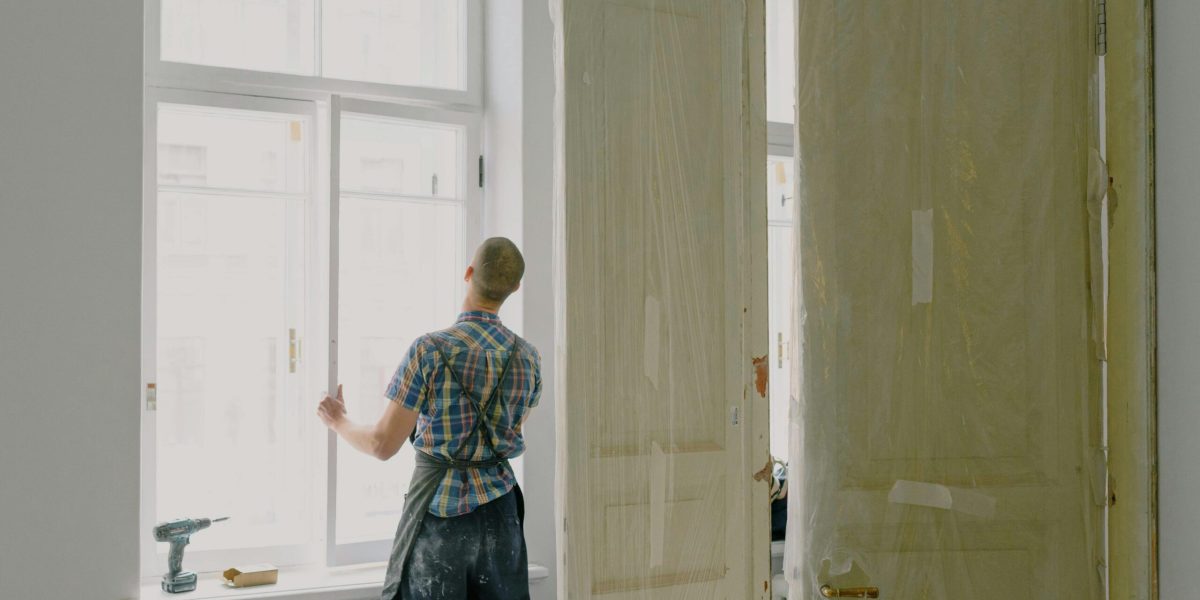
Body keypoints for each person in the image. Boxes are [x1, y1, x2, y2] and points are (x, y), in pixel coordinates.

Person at [317, 237, 541, 600]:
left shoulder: (429, 351)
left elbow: (381, 445)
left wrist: (338, 421)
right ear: (515, 287)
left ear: (468, 273)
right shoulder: (528, 357)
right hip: (502, 518)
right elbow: (514, 427)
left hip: (441, 517)